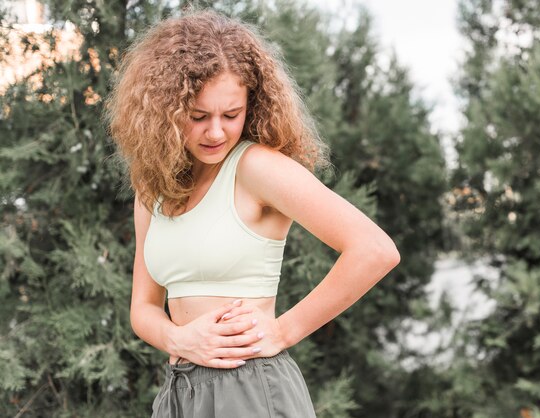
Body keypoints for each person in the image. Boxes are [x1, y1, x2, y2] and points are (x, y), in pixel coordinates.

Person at [106, 8, 400, 418]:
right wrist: (178, 340)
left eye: (231, 115)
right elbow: (144, 308)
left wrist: (283, 330)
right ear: (165, 113)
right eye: (197, 117)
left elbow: (374, 249)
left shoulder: (256, 168)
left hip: (249, 390)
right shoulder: (153, 188)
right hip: (179, 393)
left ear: (252, 105)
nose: (215, 132)